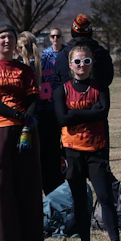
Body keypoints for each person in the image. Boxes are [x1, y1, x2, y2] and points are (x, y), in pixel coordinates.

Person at [0, 24, 44, 241]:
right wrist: (21, 116)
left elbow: (33, 98)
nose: (7, 41)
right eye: (2, 37)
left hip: (23, 131)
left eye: (11, 37)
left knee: (22, 184)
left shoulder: (24, 69)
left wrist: (27, 123)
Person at [56, 43, 121, 241]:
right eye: (77, 61)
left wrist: (75, 115)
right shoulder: (62, 90)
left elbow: (102, 112)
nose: (82, 65)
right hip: (72, 151)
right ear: (70, 64)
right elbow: (62, 118)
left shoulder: (100, 88)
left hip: (96, 150)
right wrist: (89, 113)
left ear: (92, 63)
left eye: (86, 61)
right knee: (80, 200)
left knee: (105, 197)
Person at [33, 25, 67, 193]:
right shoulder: (45, 55)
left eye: (58, 36)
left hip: (62, 97)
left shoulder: (66, 53)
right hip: (47, 100)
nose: (55, 39)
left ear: (62, 37)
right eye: (52, 36)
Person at [66, 14, 114, 91]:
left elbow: (58, 79)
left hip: (69, 96)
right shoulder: (101, 53)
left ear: (73, 32)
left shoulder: (64, 53)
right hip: (98, 94)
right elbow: (108, 78)